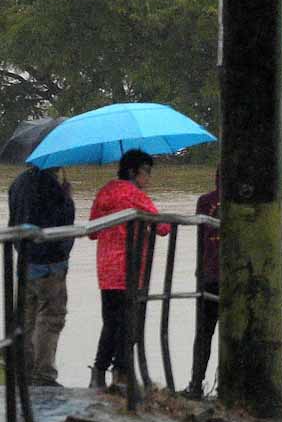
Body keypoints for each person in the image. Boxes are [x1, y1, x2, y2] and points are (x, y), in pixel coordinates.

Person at [88, 150, 169, 390]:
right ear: (134, 172)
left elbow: (92, 232)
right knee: (130, 323)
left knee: (111, 322)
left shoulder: (104, 192)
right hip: (132, 270)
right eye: (147, 172)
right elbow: (163, 227)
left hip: (106, 271)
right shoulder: (136, 196)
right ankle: (120, 373)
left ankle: (100, 374)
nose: (149, 179)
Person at [6, 163, 74, 385]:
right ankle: (43, 374)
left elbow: (13, 220)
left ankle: (23, 371)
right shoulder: (50, 186)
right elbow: (63, 219)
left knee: (26, 319)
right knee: (51, 317)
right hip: (50, 262)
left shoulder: (17, 184)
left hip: (25, 261)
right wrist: (67, 196)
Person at [184, 170, 219, 399]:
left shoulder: (204, 202)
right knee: (234, 336)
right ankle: (231, 386)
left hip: (208, 275)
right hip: (236, 278)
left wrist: (199, 270)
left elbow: (200, 239)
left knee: (204, 333)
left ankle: (196, 384)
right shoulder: (243, 203)